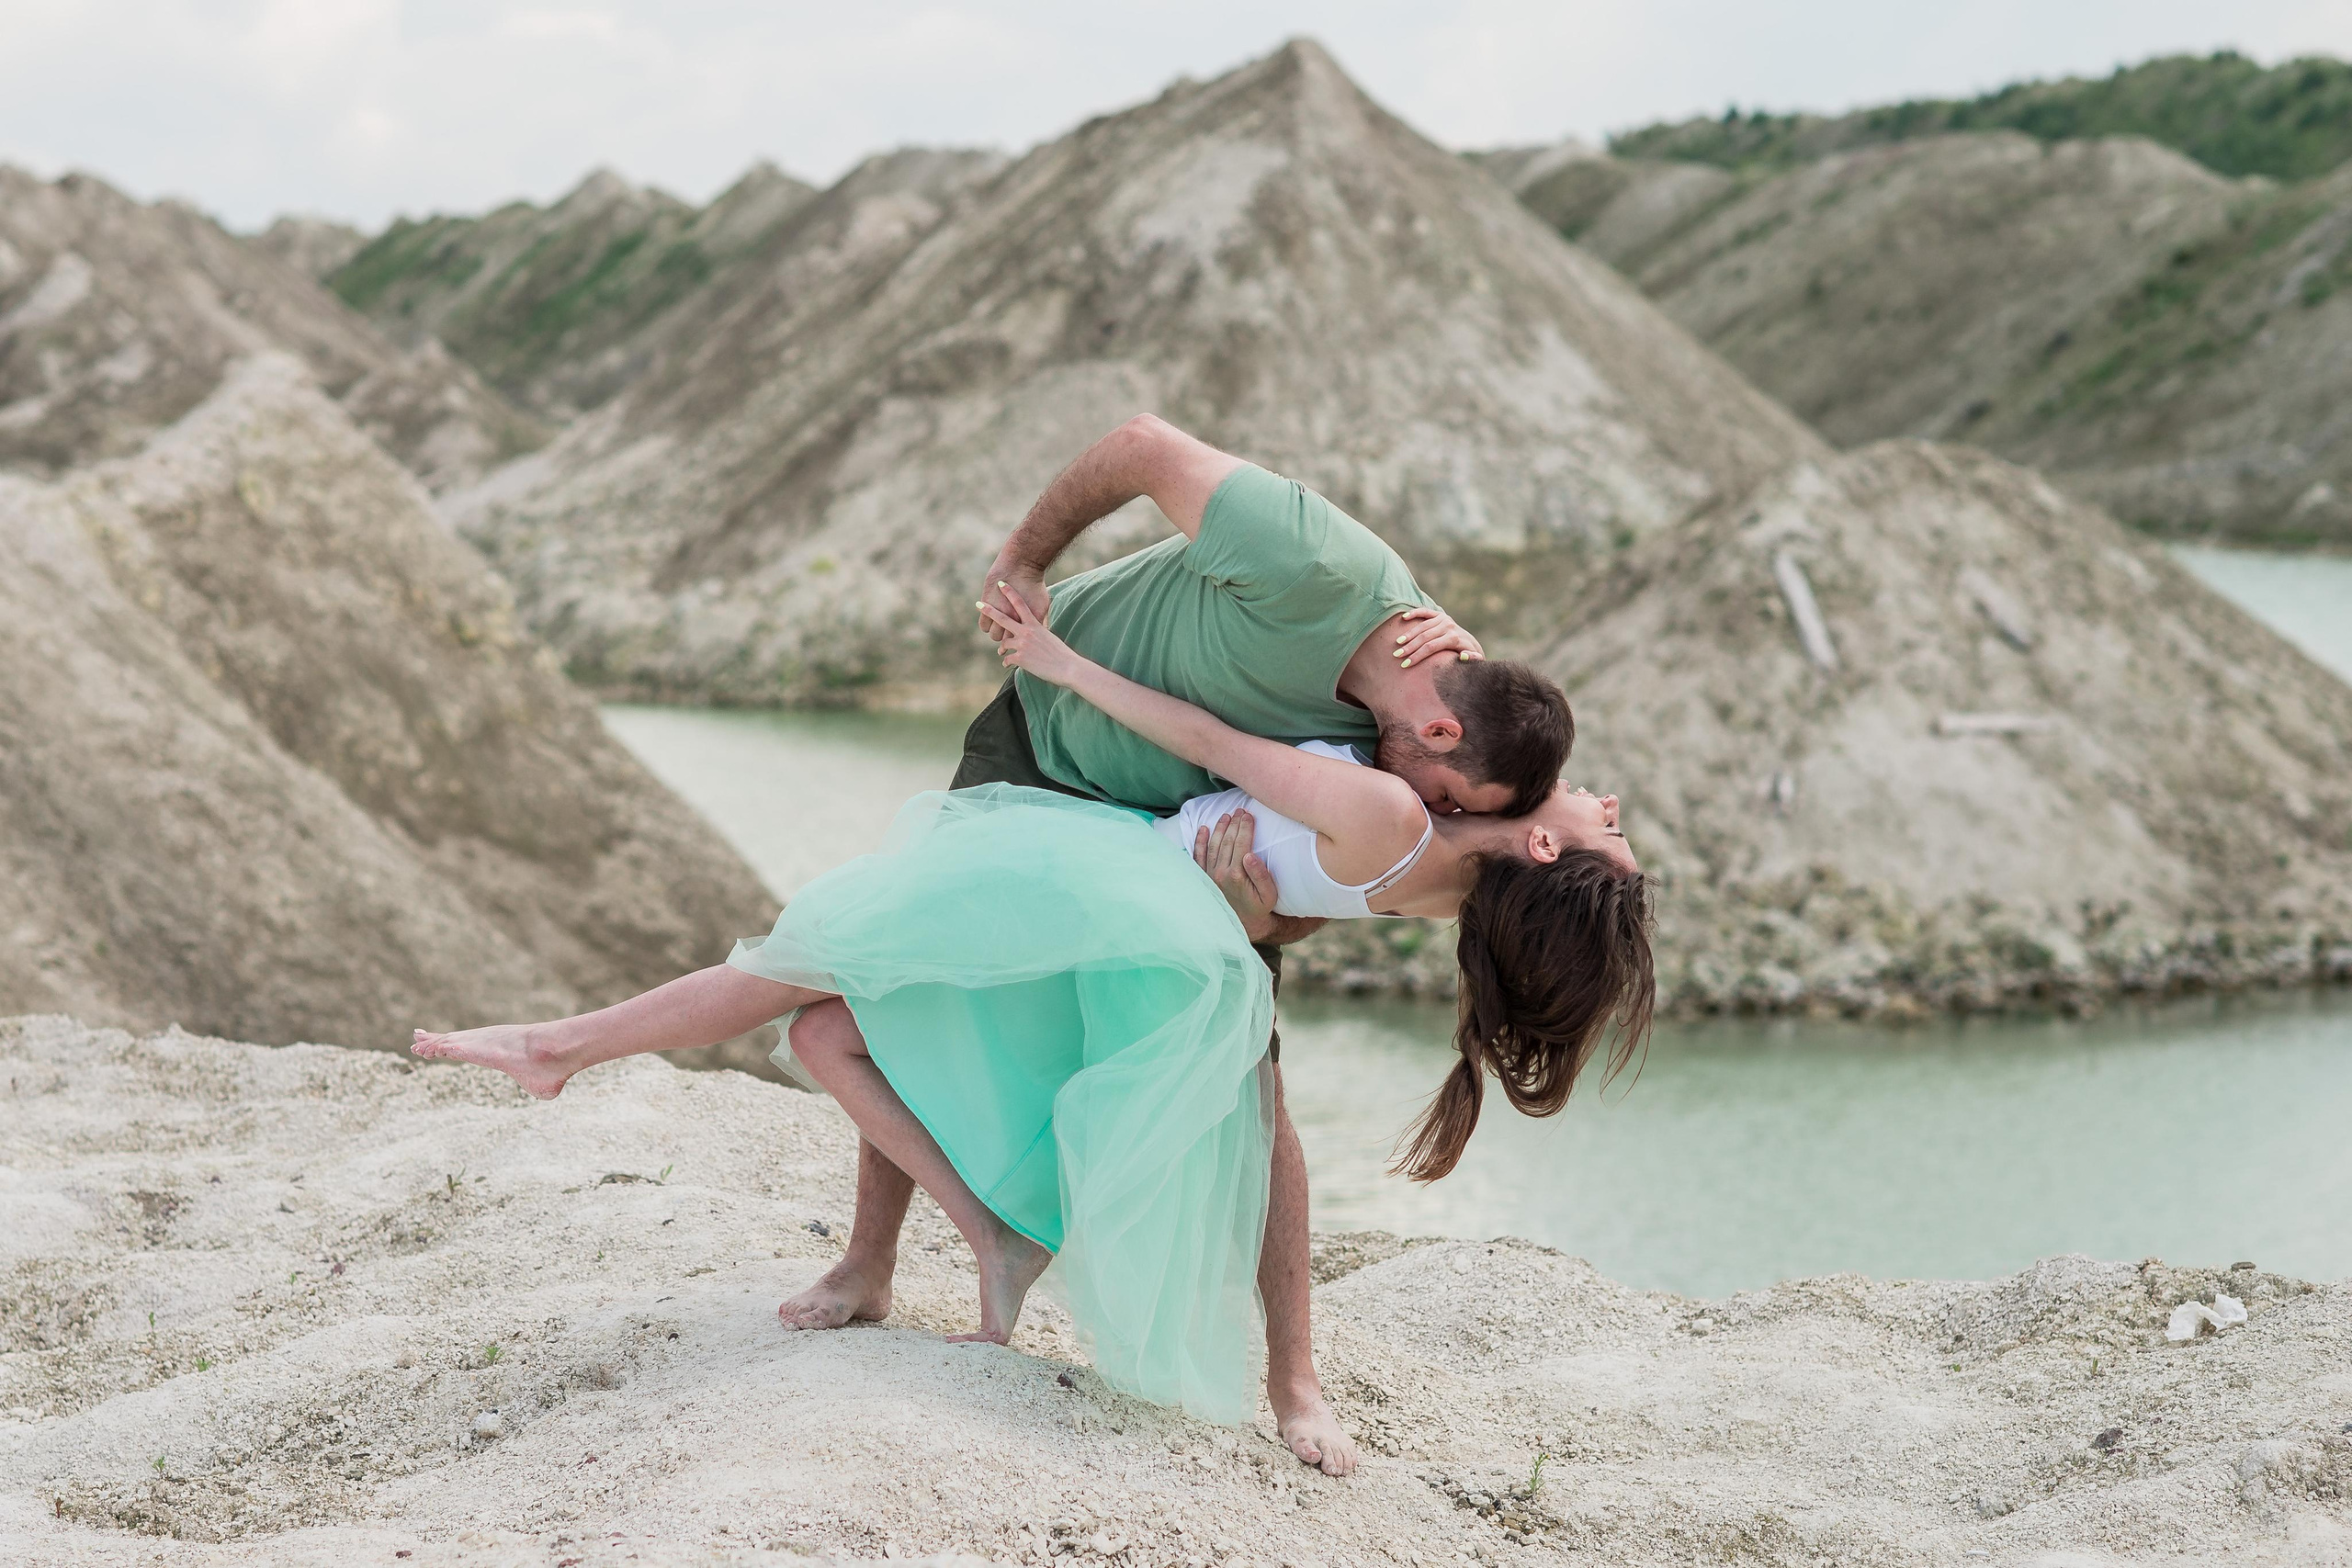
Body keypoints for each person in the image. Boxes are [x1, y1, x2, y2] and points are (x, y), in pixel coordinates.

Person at [411, 586, 1655, 1436]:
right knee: (825, 1024)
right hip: (1144, 905)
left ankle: (552, 1045)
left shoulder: (1407, 818)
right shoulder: (1452, 858)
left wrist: (1063, 664)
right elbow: (1359, 848)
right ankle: (1018, 1256)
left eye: (1615, 833)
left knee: (810, 967)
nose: (1613, 804)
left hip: (1106, 882)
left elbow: (1221, 746)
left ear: (1546, 845)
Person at [786, 414, 1577, 1474]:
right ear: (1439, 736)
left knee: (1259, 1086)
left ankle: (1294, 1382)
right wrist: (1022, 563)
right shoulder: (1317, 564)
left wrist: (1256, 918)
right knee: (905, 980)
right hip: (1048, 746)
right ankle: (866, 1266)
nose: (1423, 810)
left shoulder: (1414, 713)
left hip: (1192, 841)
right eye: (1442, 796)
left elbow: (1338, 886)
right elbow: (1138, 444)